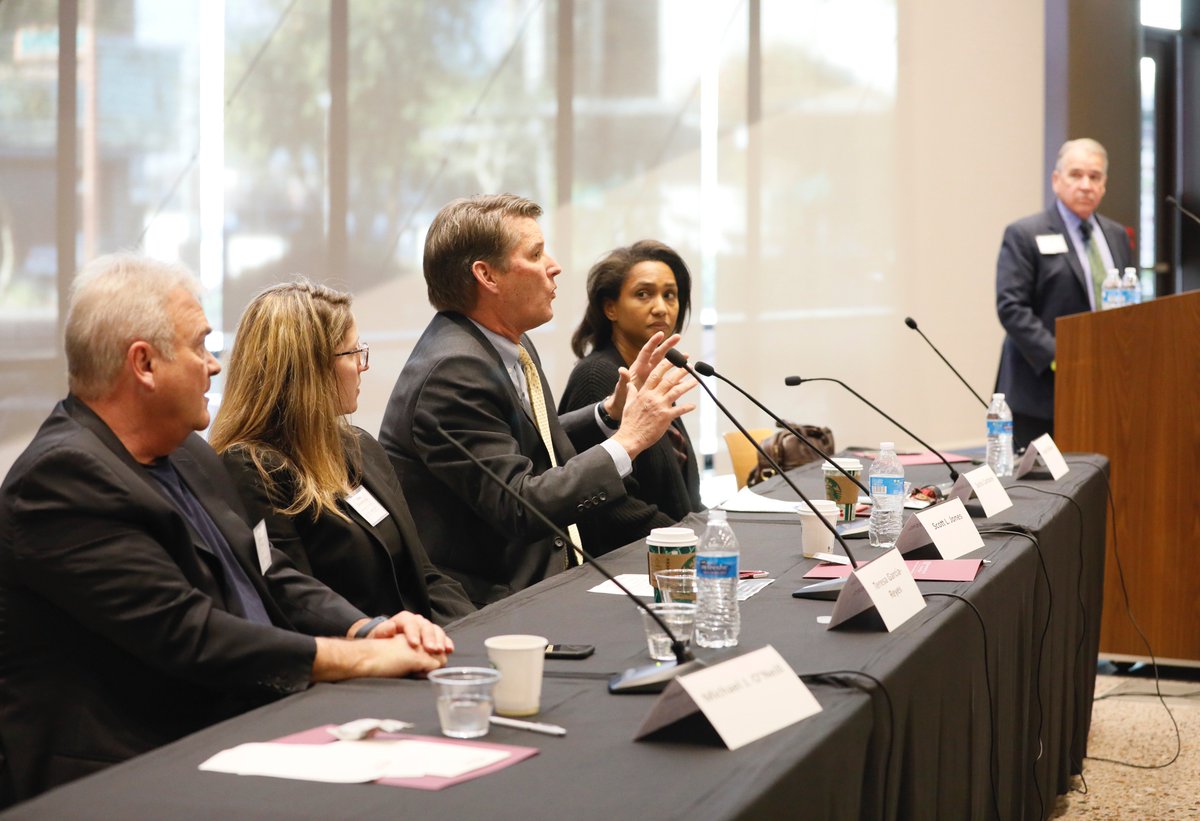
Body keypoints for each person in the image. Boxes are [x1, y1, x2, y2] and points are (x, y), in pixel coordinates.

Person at [0, 254, 452, 804]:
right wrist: (357, 660)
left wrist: (363, 630)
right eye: (200, 346)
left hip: (240, 721)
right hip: (134, 769)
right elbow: (190, 634)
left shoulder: (186, 452)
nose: (214, 366)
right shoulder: (62, 480)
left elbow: (268, 571)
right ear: (143, 364)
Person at [379, 194, 695, 606]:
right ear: (487, 276)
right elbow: (520, 505)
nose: (554, 266)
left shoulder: (504, 342)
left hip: (552, 579)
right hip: (493, 603)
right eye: (536, 253)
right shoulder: (453, 371)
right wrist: (628, 440)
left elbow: (526, 441)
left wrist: (608, 414)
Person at [210, 281, 475, 627]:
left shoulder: (359, 446)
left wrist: (479, 634)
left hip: (418, 648)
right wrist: (379, 637)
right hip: (355, 664)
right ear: (308, 369)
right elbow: (289, 602)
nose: (363, 366)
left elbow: (425, 575)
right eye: (352, 353)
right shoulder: (252, 469)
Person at [995, 137, 1133, 449]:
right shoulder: (1026, 234)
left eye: (1095, 177)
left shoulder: (1115, 235)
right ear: (1057, 181)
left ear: (1104, 184)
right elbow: (1011, 307)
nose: (1086, 185)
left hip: (1104, 385)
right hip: (1041, 390)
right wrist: (1066, 357)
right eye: (1076, 175)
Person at [559, 240, 703, 527]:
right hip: (630, 562)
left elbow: (681, 494)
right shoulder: (599, 376)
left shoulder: (651, 375)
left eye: (670, 295)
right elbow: (608, 502)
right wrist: (685, 537)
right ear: (611, 308)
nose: (661, 308)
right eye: (643, 294)